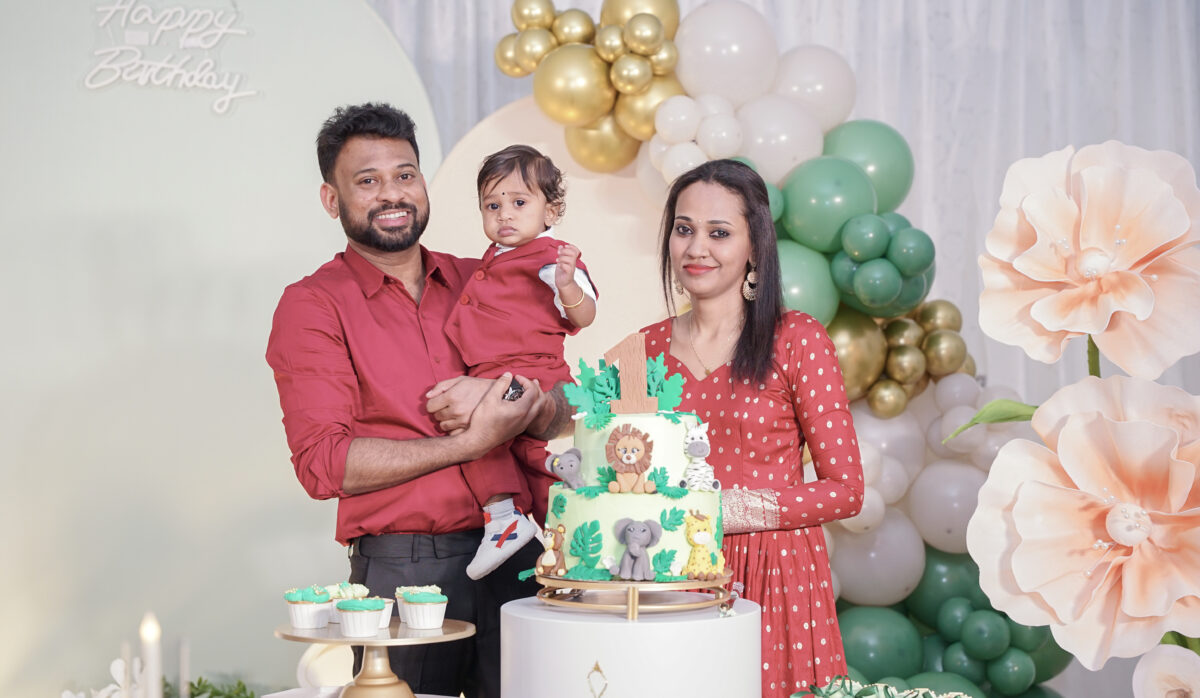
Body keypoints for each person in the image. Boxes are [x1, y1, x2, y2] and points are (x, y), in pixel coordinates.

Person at [265, 103, 574, 698]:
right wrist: (468, 442)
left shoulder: (483, 277)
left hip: (522, 552)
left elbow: (559, 405)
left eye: (405, 174)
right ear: (332, 200)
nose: (392, 194)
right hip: (406, 569)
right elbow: (325, 464)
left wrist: (507, 396)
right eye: (368, 180)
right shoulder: (313, 306)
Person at [638, 159, 864, 697]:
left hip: (774, 579)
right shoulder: (642, 348)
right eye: (684, 229)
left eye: (719, 233)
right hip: (671, 573)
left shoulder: (797, 339)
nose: (697, 249)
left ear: (756, 247)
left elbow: (847, 491)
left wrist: (726, 510)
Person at [439, 144, 598, 580]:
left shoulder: (551, 257)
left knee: (476, 432)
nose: (504, 214)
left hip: (528, 371)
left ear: (552, 210)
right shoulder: (498, 256)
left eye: (519, 202)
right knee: (521, 449)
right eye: (493, 205)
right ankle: (564, 522)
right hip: (502, 371)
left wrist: (567, 286)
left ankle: (502, 514)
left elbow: (584, 314)